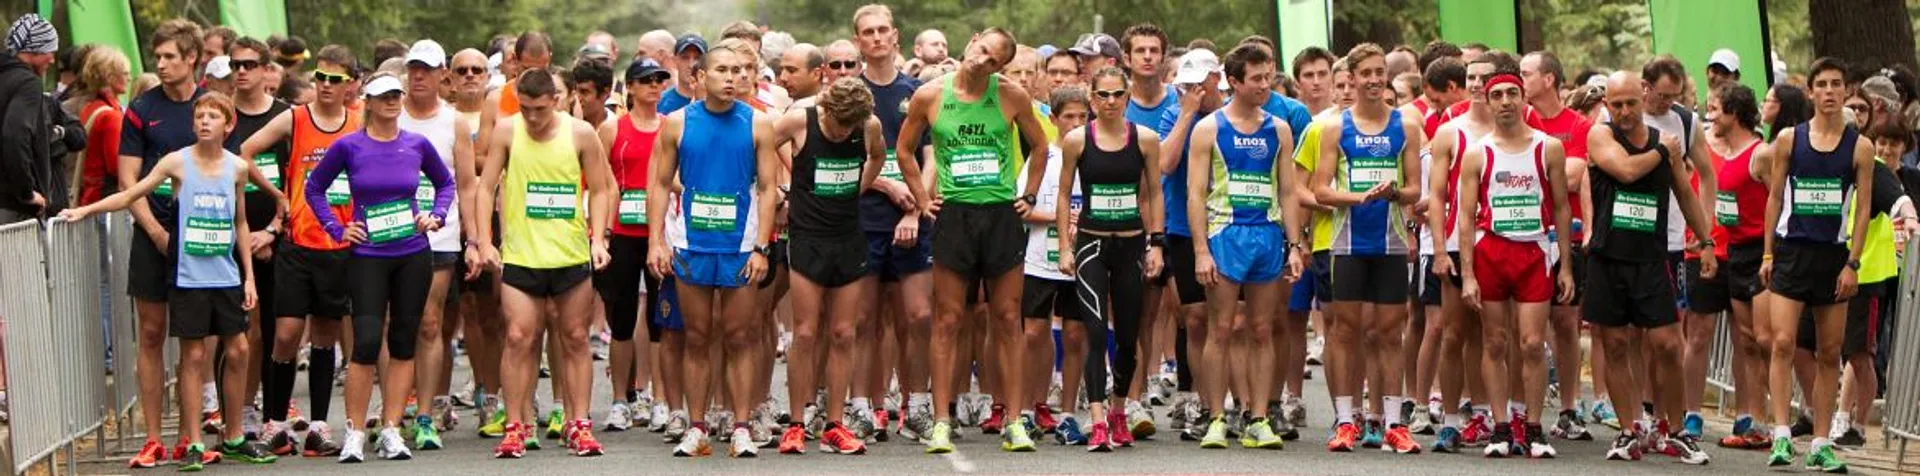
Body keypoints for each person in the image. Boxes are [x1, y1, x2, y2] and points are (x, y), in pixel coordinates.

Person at [64, 92, 278, 472]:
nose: (204, 121)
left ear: (228, 125)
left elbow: (240, 222)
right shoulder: (176, 162)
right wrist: (83, 210)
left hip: (225, 275)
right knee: (193, 355)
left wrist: (249, 277)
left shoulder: (237, 168)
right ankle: (193, 441)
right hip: (189, 276)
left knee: (240, 349)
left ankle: (233, 436)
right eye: (200, 115)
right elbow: (130, 194)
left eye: (213, 116)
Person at [895, 26, 1050, 454]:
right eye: (981, 50)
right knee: (947, 319)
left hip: (1000, 215)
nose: (980, 61)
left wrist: (1030, 195)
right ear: (974, 40)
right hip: (955, 216)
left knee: (1007, 317)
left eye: (992, 60)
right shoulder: (930, 95)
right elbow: (904, 150)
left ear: (1000, 66)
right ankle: (942, 419)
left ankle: (1014, 420)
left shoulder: (1010, 95)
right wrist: (922, 200)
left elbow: (1040, 146)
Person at [302, 72, 455, 462]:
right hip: (368, 256)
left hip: (411, 253)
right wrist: (337, 228)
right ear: (367, 102)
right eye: (382, 96)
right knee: (367, 342)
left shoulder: (416, 144)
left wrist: (435, 216)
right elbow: (314, 187)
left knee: (404, 340)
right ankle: (354, 431)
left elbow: (446, 184)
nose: (391, 101)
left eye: (395, 95)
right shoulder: (349, 146)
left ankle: (390, 428)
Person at [644, 38, 780, 459]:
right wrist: (656, 240)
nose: (732, 78)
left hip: (740, 246)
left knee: (740, 336)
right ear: (699, 77)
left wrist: (762, 249)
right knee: (697, 336)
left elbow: (770, 189)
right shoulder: (677, 123)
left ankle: (740, 426)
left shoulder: (757, 123)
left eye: (739, 71)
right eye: (722, 71)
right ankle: (697, 425)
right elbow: (660, 184)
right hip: (691, 244)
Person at [475, 68, 613, 459]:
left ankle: (580, 424)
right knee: (519, 337)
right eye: (525, 108)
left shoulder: (580, 133)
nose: (532, 117)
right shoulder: (507, 130)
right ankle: (516, 425)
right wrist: (485, 240)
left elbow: (601, 189)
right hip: (521, 253)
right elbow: (485, 188)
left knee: (574, 337)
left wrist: (598, 238)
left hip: (570, 253)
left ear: (556, 99)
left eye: (539, 108)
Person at [1584, 70, 1717, 464]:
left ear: (1643, 98)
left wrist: (1706, 241)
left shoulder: (1666, 144)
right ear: (1607, 105)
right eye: (1616, 104)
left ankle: (1674, 430)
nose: (1624, 111)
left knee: (1667, 345)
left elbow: (1686, 193)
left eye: (1630, 103)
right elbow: (1624, 170)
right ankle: (1628, 431)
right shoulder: (1602, 135)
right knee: (1616, 344)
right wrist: (1665, 152)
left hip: (1651, 258)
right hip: (1608, 257)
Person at [1179, 43, 1304, 451]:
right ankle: (1217, 416)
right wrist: (1200, 249)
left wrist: (1295, 245)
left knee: (1262, 329)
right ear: (1233, 82)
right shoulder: (1208, 128)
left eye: (1268, 77)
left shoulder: (1279, 128)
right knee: (1221, 329)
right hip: (1224, 236)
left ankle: (1259, 418)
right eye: (1256, 79)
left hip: (1267, 236)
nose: (1265, 85)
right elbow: (1194, 194)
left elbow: (1288, 191)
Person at [243, 44, 359, 460]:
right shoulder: (295, 118)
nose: (326, 86)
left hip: (340, 244)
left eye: (335, 79)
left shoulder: (358, 125)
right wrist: (279, 195)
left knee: (326, 335)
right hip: (297, 242)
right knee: (288, 333)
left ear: (350, 85)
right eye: (321, 77)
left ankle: (319, 426)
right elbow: (246, 152)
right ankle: (275, 422)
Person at [1453, 66, 1575, 459]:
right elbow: (1466, 217)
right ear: (1488, 102)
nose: (1505, 102)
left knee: (1533, 343)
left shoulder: (1547, 147)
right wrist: (1468, 274)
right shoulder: (1478, 152)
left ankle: (1534, 428)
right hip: (1492, 252)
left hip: (1533, 252)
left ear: (1523, 98)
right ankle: (1501, 426)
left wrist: (1566, 266)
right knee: (1495, 341)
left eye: (1512, 94)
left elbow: (1560, 206)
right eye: (1497, 95)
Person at [1759, 57, 1874, 474]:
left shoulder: (1860, 146)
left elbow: (1860, 211)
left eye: (1836, 84)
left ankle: (1822, 442)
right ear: (1810, 92)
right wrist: (1768, 253)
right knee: (1783, 342)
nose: (1829, 91)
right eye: (1821, 84)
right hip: (1791, 252)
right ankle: (1782, 435)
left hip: (1833, 257)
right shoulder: (1791, 139)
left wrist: (1853, 264)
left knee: (1829, 352)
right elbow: (1774, 196)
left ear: (1846, 91)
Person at [1310, 43, 1423, 454]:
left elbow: (1416, 188)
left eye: (1380, 73)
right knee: (1345, 332)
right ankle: (1345, 421)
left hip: (1391, 242)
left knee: (1391, 334)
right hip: (1347, 242)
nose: (1375, 79)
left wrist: (1394, 193)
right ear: (1352, 79)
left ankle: (1393, 423)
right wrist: (1358, 198)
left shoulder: (1406, 126)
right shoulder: (1335, 128)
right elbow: (1319, 188)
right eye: (1367, 73)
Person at [118, 18, 217, 469]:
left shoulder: (211, 106)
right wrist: (155, 232)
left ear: (192, 58)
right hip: (152, 234)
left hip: (201, 238)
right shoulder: (141, 108)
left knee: (194, 339)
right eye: (156, 57)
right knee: (153, 332)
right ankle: (153, 436)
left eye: (169, 57)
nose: (160, 64)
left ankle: (191, 435)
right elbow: (127, 179)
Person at [772, 77, 887, 455]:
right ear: (827, 111)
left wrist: (860, 187)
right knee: (805, 333)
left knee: (843, 333)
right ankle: (795, 423)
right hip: (807, 237)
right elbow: (760, 149)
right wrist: (779, 189)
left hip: (848, 237)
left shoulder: (867, 125)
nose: (843, 133)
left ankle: (835, 425)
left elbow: (878, 156)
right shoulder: (799, 120)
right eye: (839, 125)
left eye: (850, 127)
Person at [1054, 67, 1165, 451]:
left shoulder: (1146, 140)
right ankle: (1098, 418)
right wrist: (1064, 249)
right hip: (1091, 246)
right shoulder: (1077, 140)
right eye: (1103, 95)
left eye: (1118, 94)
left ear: (1128, 96)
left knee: (1130, 335)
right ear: (1091, 97)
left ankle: (1119, 410)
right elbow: (1065, 193)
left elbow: (1152, 195)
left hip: (1132, 246)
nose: (1111, 102)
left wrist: (1157, 244)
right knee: (1095, 331)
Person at [851, 4, 933, 443]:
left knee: (918, 317)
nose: (877, 38)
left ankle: (917, 405)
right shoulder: (849, 93)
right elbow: (849, 161)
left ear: (896, 36)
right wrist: (884, 186)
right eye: (868, 32)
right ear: (859, 40)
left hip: (915, 221)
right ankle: (864, 407)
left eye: (884, 30)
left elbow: (931, 156)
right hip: (865, 219)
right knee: (864, 319)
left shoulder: (919, 91)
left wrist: (916, 208)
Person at [394, 39, 475, 448]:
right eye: (413, 68)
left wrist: (475, 239)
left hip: (439, 234)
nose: (419, 76)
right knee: (394, 323)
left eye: (427, 69)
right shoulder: (388, 113)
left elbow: (466, 182)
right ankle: (393, 410)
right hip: (388, 234)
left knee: (429, 322)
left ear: (443, 74)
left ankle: (425, 414)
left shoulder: (454, 121)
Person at [1519, 50, 1596, 442]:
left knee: (1566, 323)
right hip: (1524, 234)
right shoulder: (1518, 118)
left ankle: (1570, 407)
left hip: (1567, 235)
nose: (1520, 80)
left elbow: (1572, 177)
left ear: (1549, 79)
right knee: (1525, 328)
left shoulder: (1578, 124)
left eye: (1526, 74)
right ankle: (1521, 409)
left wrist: (1534, 175)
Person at [221, 36, 290, 452]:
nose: (241, 71)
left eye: (249, 64)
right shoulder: (220, 115)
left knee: (276, 328)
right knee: (237, 328)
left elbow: (296, 181)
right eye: (235, 64)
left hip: (278, 235)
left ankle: (271, 416)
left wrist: (274, 229)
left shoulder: (286, 117)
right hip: (229, 237)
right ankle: (236, 414)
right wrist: (241, 236)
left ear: (267, 70)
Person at [596, 58, 670, 435]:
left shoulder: (671, 127)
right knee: (622, 319)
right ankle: (620, 401)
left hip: (659, 234)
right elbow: (597, 179)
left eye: (659, 80)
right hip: (623, 231)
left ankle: (659, 400)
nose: (654, 86)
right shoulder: (612, 129)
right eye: (646, 80)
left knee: (660, 319)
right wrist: (601, 232)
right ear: (630, 88)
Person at [1157, 48, 1226, 439]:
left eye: (1202, 82)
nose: (1195, 90)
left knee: (1231, 322)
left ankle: (1234, 403)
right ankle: (1202, 402)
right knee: (1196, 318)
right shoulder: (1175, 113)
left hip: (1228, 228)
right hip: (1183, 228)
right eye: (1187, 84)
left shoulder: (1234, 114)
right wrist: (1186, 113)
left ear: (1218, 78)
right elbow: (1165, 164)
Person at [1021, 85, 1090, 446]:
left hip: (1080, 263)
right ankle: (1030, 410)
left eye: (1082, 116)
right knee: (1033, 334)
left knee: (1076, 335)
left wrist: (1086, 221)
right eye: (1069, 117)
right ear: (1053, 119)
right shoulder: (1043, 157)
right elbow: (1022, 208)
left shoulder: (1095, 157)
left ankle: (1067, 414)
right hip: (1038, 261)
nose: (1076, 123)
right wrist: (1059, 218)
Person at [0, 13, 58, 224]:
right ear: (34, 49)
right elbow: (15, 137)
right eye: (50, 50)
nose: (52, 60)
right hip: (11, 208)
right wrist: (27, 193)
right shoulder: (28, 83)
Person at [73, 46, 130, 207]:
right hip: (105, 201)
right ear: (110, 77)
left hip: (89, 198)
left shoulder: (91, 108)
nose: (129, 78)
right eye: (125, 73)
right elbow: (117, 167)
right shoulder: (111, 116)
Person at [660, 34, 706, 115]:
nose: (691, 65)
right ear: (674, 61)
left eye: (697, 58)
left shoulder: (716, 102)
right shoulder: (659, 103)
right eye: (685, 57)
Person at [1293, 47, 1338, 116]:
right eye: (1309, 75)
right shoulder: (1290, 119)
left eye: (1322, 74)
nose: (1316, 82)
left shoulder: (1347, 118)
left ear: (1333, 77)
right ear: (1297, 81)